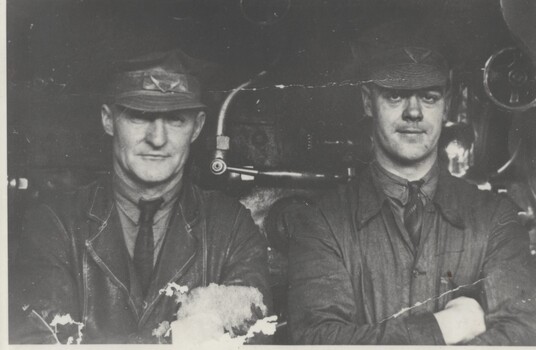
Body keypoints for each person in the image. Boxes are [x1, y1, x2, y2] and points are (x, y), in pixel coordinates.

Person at [285, 20, 536, 345]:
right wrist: (442, 328)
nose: (414, 112)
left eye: (429, 97)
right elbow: (316, 340)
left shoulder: (495, 219)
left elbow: (523, 333)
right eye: (396, 96)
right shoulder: (323, 224)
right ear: (367, 101)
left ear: (448, 104)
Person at [10, 49, 271, 343]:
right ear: (108, 120)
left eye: (175, 119)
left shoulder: (232, 229)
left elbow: (249, 341)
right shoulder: (55, 226)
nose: (157, 139)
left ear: (197, 127)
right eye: (140, 116)